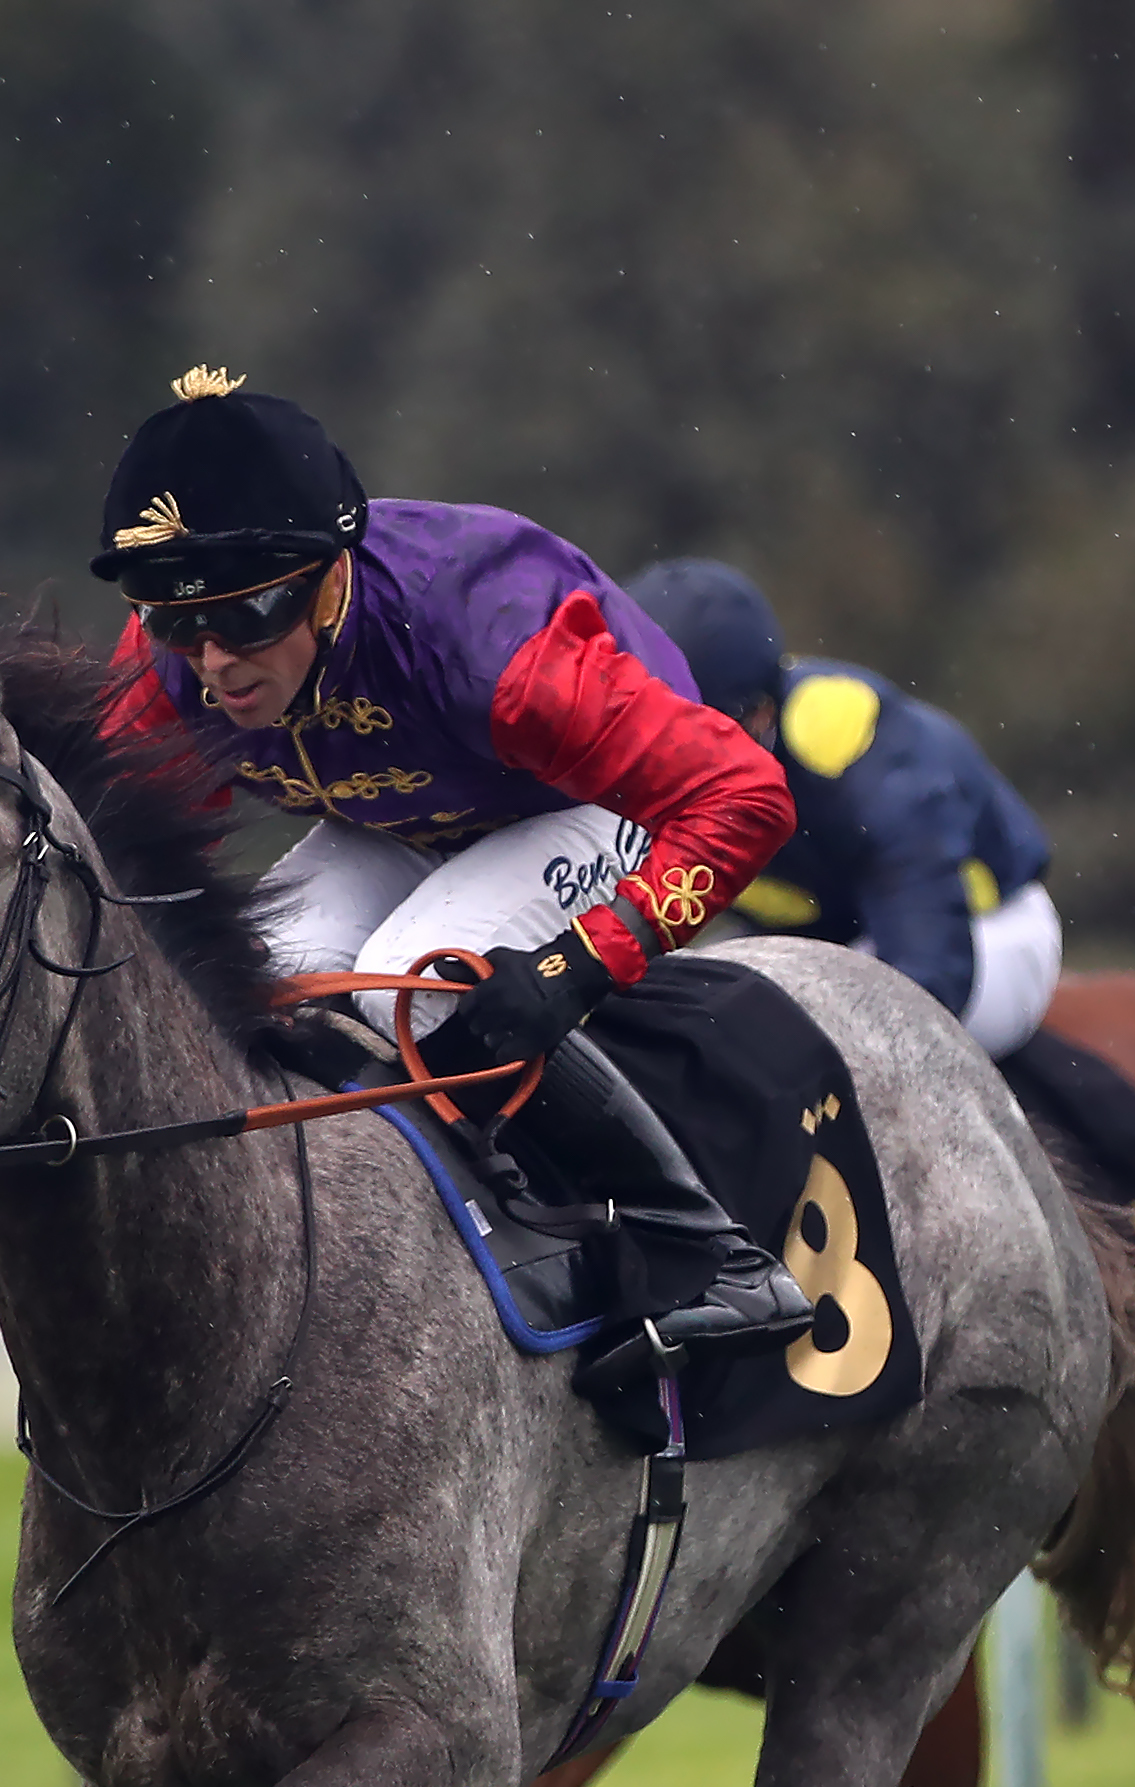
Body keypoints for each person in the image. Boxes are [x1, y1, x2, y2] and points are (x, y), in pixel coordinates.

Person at [90, 368, 809, 1382]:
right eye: (173, 623)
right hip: (402, 816)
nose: (210, 662)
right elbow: (131, 854)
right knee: (252, 999)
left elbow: (747, 796)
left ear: (328, 576)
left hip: (587, 801)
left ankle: (708, 1252)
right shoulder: (180, 657)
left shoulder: (490, 649)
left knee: (401, 982)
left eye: (244, 621)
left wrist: (582, 962)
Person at [623, 560, 1062, 1059]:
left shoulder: (847, 744)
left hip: (988, 934)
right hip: (830, 940)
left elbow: (928, 969)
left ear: (760, 712)